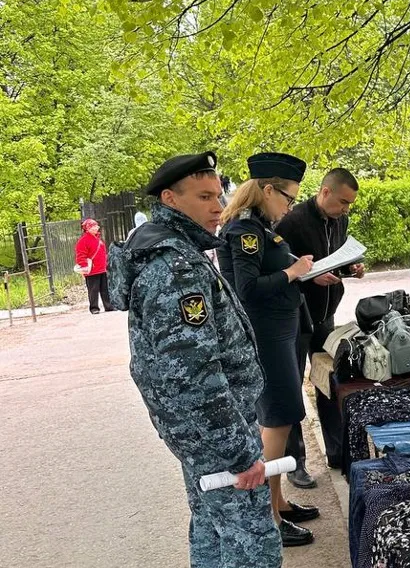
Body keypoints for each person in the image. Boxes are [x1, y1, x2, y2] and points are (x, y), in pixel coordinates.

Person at [107, 152, 282, 567]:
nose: (218, 207)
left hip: (199, 432)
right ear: (170, 199)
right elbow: (195, 377)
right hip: (214, 435)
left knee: (212, 528)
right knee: (252, 544)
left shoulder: (177, 250)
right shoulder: (176, 268)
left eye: (218, 196)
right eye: (204, 197)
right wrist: (240, 453)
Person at [218, 152, 321, 547]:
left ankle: (278, 502)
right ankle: (269, 518)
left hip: (280, 330)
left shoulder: (261, 227)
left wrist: (302, 270)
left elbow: (269, 269)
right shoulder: (245, 230)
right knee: (277, 418)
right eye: (288, 197)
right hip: (267, 335)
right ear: (266, 190)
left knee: (283, 416)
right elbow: (246, 289)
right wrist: (292, 272)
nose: (290, 206)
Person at [275, 167, 364, 482]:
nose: (346, 209)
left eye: (349, 204)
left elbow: (334, 259)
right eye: (342, 202)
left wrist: (351, 269)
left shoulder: (340, 220)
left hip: (326, 314)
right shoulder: (291, 221)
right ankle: (294, 463)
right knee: (291, 389)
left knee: (329, 381)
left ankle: (337, 452)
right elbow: (280, 269)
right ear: (325, 192)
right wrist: (310, 278)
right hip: (297, 316)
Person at [74, 218, 113, 314]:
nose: (96, 228)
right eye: (93, 226)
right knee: (93, 290)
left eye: (96, 226)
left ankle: (108, 306)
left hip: (102, 268)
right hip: (92, 270)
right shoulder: (83, 241)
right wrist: (84, 266)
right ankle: (94, 308)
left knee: (105, 289)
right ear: (87, 229)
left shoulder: (98, 239)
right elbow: (80, 255)